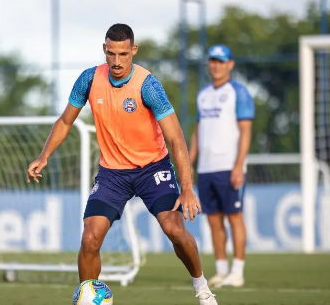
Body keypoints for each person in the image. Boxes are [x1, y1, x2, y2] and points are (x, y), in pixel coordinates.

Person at [27, 23, 219, 305]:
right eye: (111, 54)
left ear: (133, 51)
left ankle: (202, 287)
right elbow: (66, 120)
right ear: (105, 50)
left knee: (174, 230)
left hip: (153, 168)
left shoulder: (148, 85)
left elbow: (177, 139)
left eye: (123, 54)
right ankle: (89, 300)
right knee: (90, 237)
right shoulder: (89, 79)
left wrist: (187, 188)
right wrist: (44, 155)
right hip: (112, 173)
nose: (116, 61)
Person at [188, 44, 254, 288]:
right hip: (206, 168)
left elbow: (245, 131)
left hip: (229, 166)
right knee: (213, 220)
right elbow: (199, 130)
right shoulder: (203, 94)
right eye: (212, 61)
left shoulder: (239, 92)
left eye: (221, 61)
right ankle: (221, 270)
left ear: (230, 64)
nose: (216, 65)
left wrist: (239, 166)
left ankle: (237, 271)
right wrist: (189, 161)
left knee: (234, 217)